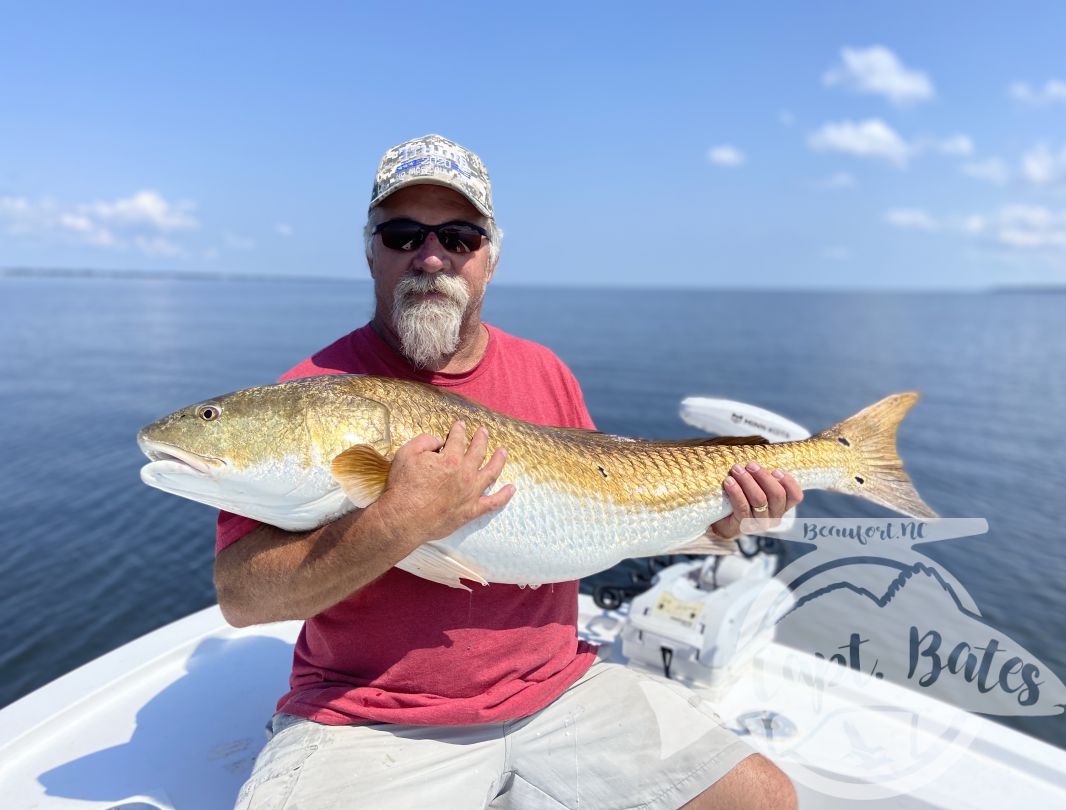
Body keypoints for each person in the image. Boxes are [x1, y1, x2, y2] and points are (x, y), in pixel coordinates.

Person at [214, 134, 801, 809]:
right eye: (403, 234)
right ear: (370, 250)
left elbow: (601, 515)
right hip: (370, 712)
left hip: (560, 689)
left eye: (459, 237)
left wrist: (718, 515)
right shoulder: (312, 393)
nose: (430, 257)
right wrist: (398, 520)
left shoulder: (544, 371)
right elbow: (242, 597)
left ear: (489, 258)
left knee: (762, 799)